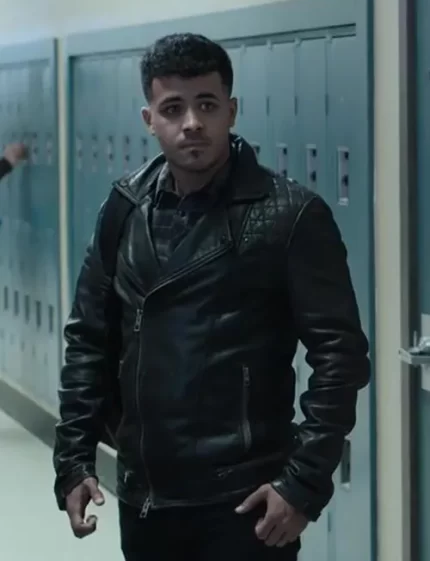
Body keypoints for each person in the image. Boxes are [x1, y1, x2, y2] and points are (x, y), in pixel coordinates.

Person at [53, 33, 370, 561]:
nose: (192, 123)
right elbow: (88, 339)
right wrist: (74, 458)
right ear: (149, 119)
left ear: (231, 111)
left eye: (206, 105)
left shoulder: (288, 215)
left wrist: (303, 483)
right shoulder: (123, 209)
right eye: (172, 108)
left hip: (243, 500)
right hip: (145, 496)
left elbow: (340, 358)